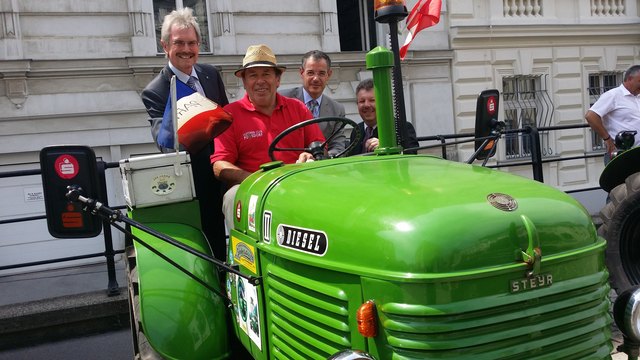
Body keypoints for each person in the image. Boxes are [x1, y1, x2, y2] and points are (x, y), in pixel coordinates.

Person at [140, 7, 228, 260]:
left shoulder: (211, 74)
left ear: (199, 44)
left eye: (192, 43)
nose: (186, 49)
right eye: (179, 43)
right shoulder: (155, 90)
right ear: (165, 45)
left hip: (226, 168)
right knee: (210, 247)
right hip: (198, 181)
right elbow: (165, 143)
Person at [211, 44, 325, 230]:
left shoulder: (297, 108)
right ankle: (242, 255)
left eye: (266, 74)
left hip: (298, 183)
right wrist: (256, 180)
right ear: (245, 82)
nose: (260, 81)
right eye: (253, 75)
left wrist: (310, 155)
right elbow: (219, 165)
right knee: (232, 196)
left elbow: (319, 146)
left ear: (277, 79)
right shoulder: (229, 115)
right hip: (253, 190)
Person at [279, 50, 347, 157]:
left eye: (321, 73)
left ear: (329, 75)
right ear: (301, 73)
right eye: (310, 73)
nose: (316, 79)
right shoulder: (282, 100)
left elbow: (338, 148)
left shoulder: (337, 110)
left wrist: (321, 161)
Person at [349, 78, 420, 155]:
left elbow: (411, 155)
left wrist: (386, 148)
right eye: (362, 101)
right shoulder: (356, 131)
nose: (366, 105)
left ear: (382, 103)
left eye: (372, 100)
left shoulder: (402, 127)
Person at [585, 64, 640, 162]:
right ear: (630, 79)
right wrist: (607, 139)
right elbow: (591, 116)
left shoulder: (638, 97)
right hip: (622, 154)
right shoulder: (613, 95)